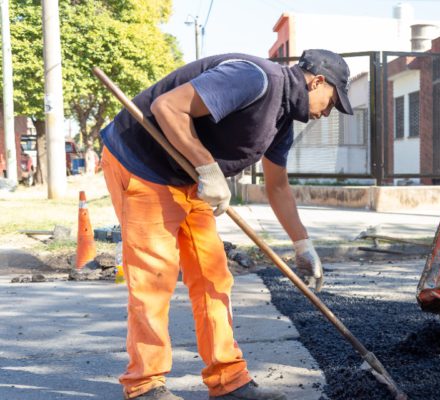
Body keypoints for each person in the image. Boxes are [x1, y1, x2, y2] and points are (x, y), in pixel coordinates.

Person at [100, 49, 353, 399]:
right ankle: (145, 385)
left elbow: (277, 186)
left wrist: (302, 245)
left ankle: (228, 382)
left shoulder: (282, 120)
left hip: (187, 178)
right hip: (143, 163)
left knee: (213, 276)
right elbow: (167, 107)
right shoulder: (254, 78)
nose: (328, 112)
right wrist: (207, 168)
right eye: (332, 101)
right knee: (154, 276)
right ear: (318, 81)